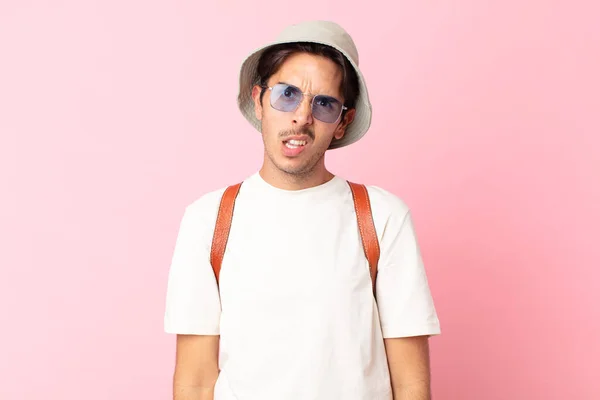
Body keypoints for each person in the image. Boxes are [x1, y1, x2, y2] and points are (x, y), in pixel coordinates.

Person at [163, 20, 441, 400]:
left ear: (342, 122)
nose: (301, 117)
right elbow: (194, 380)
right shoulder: (208, 220)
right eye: (287, 95)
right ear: (259, 99)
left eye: (324, 104)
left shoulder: (382, 217)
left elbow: (410, 383)